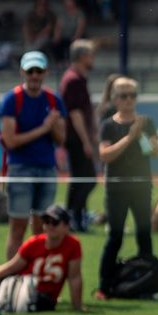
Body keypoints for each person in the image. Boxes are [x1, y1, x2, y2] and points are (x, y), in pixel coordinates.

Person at [96, 77, 158, 297]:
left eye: (132, 96)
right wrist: (130, 137)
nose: (129, 100)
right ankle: (104, 285)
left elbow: (154, 151)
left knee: (144, 233)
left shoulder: (145, 122)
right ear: (115, 99)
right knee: (115, 235)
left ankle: (148, 284)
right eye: (124, 96)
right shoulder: (108, 125)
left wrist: (140, 135)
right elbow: (105, 155)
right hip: (116, 188)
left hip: (141, 186)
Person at [0, 52, 65, 257]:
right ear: (22, 72)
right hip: (20, 168)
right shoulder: (12, 99)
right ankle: (12, 277)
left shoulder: (54, 100)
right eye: (30, 71)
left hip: (46, 168)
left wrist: (51, 128)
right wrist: (45, 128)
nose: (34, 75)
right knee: (17, 227)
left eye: (38, 71)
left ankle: (38, 274)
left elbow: (61, 139)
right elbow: (11, 141)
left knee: (44, 228)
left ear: (45, 72)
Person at [0, 205, 84, 314]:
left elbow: (74, 277)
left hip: (45, 296)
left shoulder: (73, 245)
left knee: (34, 302)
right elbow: (12, 266)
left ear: (66, 226)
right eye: (46, 221)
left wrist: (78, 307)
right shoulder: (34, 242)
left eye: (55, 222)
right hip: (23, 285)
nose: (49, 225)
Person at [60, 40, 98, 233]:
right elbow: (75, 114)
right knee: (87, 179)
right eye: (91, 55)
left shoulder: (76, 78)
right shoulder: (74, 80)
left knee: (81, 178)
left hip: (77, 138)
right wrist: (86, 141)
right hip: (76, 139)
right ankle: (73, 216)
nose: (93, 59)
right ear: (83, 57)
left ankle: (75, 216)